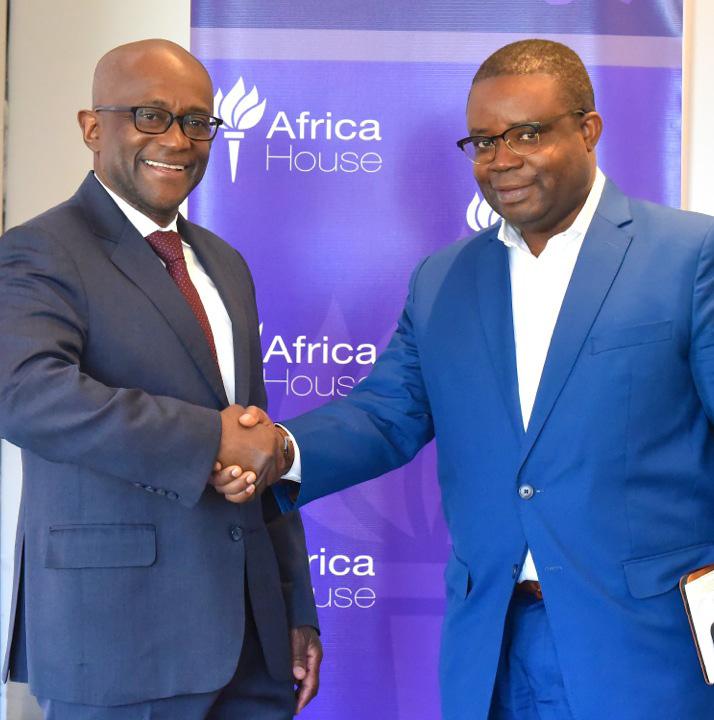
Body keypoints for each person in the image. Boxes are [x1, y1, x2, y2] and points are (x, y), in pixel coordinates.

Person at [217, 39, 714, 719]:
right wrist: (279, 449)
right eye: (482, 141)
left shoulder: (690, 256)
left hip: (647, 648)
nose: (501, 159)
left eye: (526, 134)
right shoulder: (443, 279)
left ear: (589, 130)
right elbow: (385, 414)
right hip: (492, 648)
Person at [0, 39, 321, 720]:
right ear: (93, 127)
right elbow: (24, 394)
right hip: (119, 642)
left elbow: (256, 436)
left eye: (196, 121)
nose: (177, 140)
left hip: (254, 644)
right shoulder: (40, 249)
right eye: (150, 115)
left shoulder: (225, 264)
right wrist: (210, 440)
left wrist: (294, 605)